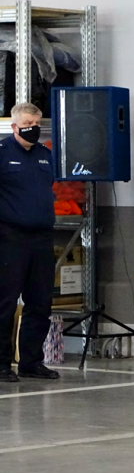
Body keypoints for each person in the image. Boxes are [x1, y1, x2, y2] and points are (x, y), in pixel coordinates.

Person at [0, 103, 59, 382]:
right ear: (14, 126)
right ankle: (1, 364)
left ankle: (31, 361)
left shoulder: (46, 155)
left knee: (40, 303)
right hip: (9, 238)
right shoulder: (2, 153)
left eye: (36, 123)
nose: (32, 128)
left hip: (42, 239)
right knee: (5, 303)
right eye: (26, 123)